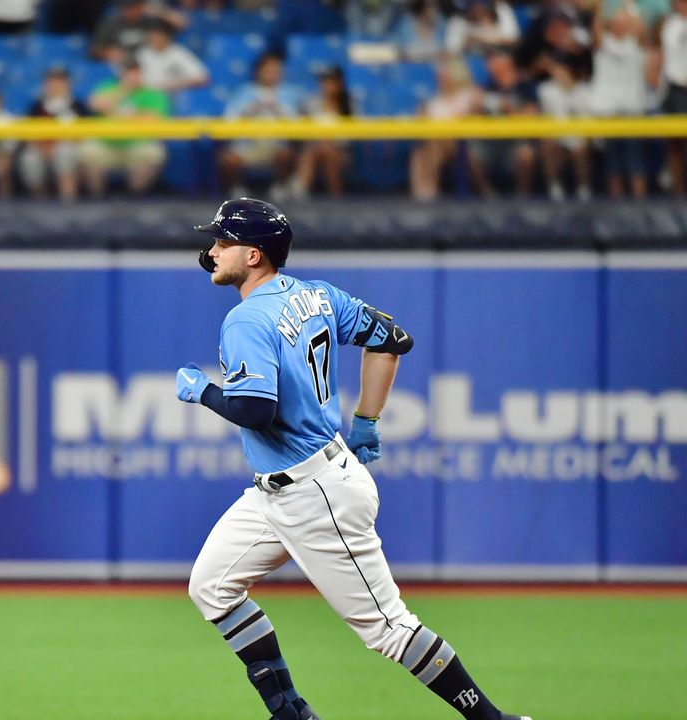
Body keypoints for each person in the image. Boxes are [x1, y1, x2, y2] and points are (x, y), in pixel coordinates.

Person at [177, 197, 533, 720]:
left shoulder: (245, 319)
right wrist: (367, 420)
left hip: (314, 493)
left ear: (253, 255)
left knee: (388, 630)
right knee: (211, 587)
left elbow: (254, 409)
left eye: (222, 242)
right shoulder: (317, 295)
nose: (212, 250)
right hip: (282, 488)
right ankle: (291, 712)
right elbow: (393, 338)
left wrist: (201, 390)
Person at [79, 59, 170, 197]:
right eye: (128, 73)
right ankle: (96, 197)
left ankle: (136, 195)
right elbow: (95, 104)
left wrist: (122, 116)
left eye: (135, 73)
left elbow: (152, 119)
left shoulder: (151, 93)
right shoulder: (109, 87)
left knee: (153, 153)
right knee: (87, 150)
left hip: (137, 143)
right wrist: (123, 90)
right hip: (106, 143)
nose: (132, 76)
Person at [219, 51, 300, 199]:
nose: (273, 74)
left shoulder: (288, 94)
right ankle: (237, 189)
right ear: (259, 70)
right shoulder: (243, 92)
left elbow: (295, 125)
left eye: (277, 70)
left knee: (286, 155)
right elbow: (229, 121)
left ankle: (279, 186)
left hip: (275, 144)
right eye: (269, 69)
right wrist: (251, 110)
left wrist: (277, 109)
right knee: (227, 158)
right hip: (247, 145)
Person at [589, 7, 651, 197]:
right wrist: (599, 9)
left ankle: (640, 203)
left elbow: (641, 27)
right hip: (608, 108)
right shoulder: (603, 44)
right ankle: (617, 202)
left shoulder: (635, 43)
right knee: (612, 159)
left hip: (632, 106)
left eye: (623, 23)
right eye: (616, 23)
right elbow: (596, 27)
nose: (620, 26)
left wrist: (628, 6)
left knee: (635, 157)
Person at [469, 51, 539, 198]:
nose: (490, 65)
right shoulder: (488, 87)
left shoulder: (524, 87)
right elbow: (473, 119)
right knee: (473, 153)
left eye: (495, 61)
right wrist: (476, 106)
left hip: (516, 140)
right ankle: (488, 196)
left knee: (526, 154)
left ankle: (522, 196)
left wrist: (508, 109)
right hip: (491, 140)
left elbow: (531, 115)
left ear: (508, 64)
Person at [409, 58, 480, 199]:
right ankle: (423, 193)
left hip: (462, 142)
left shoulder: (468, 95)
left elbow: (471, 113)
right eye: (440, 77)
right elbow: (425, 122)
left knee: (433, 145)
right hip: (436, 141)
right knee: (420, 153)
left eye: (445, 76)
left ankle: (428, 191)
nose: (442, 80)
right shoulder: (435, 101)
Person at [20, 66, 90, 201]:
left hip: (68, 146)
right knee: (30, 159)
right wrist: (41, 146)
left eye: (60, 81)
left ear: (67, 84)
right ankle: (38, 201)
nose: (56, 85)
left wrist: (60, 145)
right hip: (40, 146)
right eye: (52, 81)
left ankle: (68, 201)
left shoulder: (77, 105)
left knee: (65, 155)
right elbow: (27, 132)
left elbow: (85, 133)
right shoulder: (37, 105)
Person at [291, 66, 352, 198]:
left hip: (341, 151)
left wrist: (331, 141)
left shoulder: (348, 105)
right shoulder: (311, 104)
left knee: (328, 152)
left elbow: (351, 136)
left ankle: (336, 197)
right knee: (313, 151)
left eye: (331, 82)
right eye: (324, 81)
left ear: (339, 83)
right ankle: (300, 192)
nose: (327, 85)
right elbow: (302, 130)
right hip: (314, 147)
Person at [537, 59, 592, 200]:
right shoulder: (546, 90)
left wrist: (570, 89)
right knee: (548, 144)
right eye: (556, 71)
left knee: (580, 146)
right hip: (557, 135)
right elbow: (546, 117)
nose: (558, 74)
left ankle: (584, 186)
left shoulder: (584, 90)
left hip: (578, 135)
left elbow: (587, 118)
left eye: (562, 71)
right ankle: (554, 186)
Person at [90, 0, 187, 63]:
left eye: (135, 6)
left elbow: (181, 23)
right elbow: (95, 50)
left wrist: (157, 12)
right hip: (121, 66)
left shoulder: (150, 21)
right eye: (127, 7)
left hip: (149, 64)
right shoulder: (110, 23)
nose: (130, 10)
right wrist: (107, 52)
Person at [134, 18, 210, 93]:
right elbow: (132, 76)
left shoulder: (179, 53)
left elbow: (202, 78)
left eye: (158, 36)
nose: (154, 39)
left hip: (170, 96)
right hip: (144, 96)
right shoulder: (143, 53)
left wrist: (174, 85)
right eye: (152, 36)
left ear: (167, 37)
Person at [661, 0, 687, 195]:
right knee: (676, 144)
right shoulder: (672, 25)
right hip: (678, 88)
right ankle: (677, 191)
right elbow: (669, 58)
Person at [445, 0, 520, 56]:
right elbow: (450, 53)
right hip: (476, 60)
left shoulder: (499, 8)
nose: (467, 14)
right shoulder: (458, 20)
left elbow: (512, 41)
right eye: (464, 12)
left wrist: (482, 39)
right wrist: (465, 43)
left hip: (503, 54)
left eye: (469, 10)